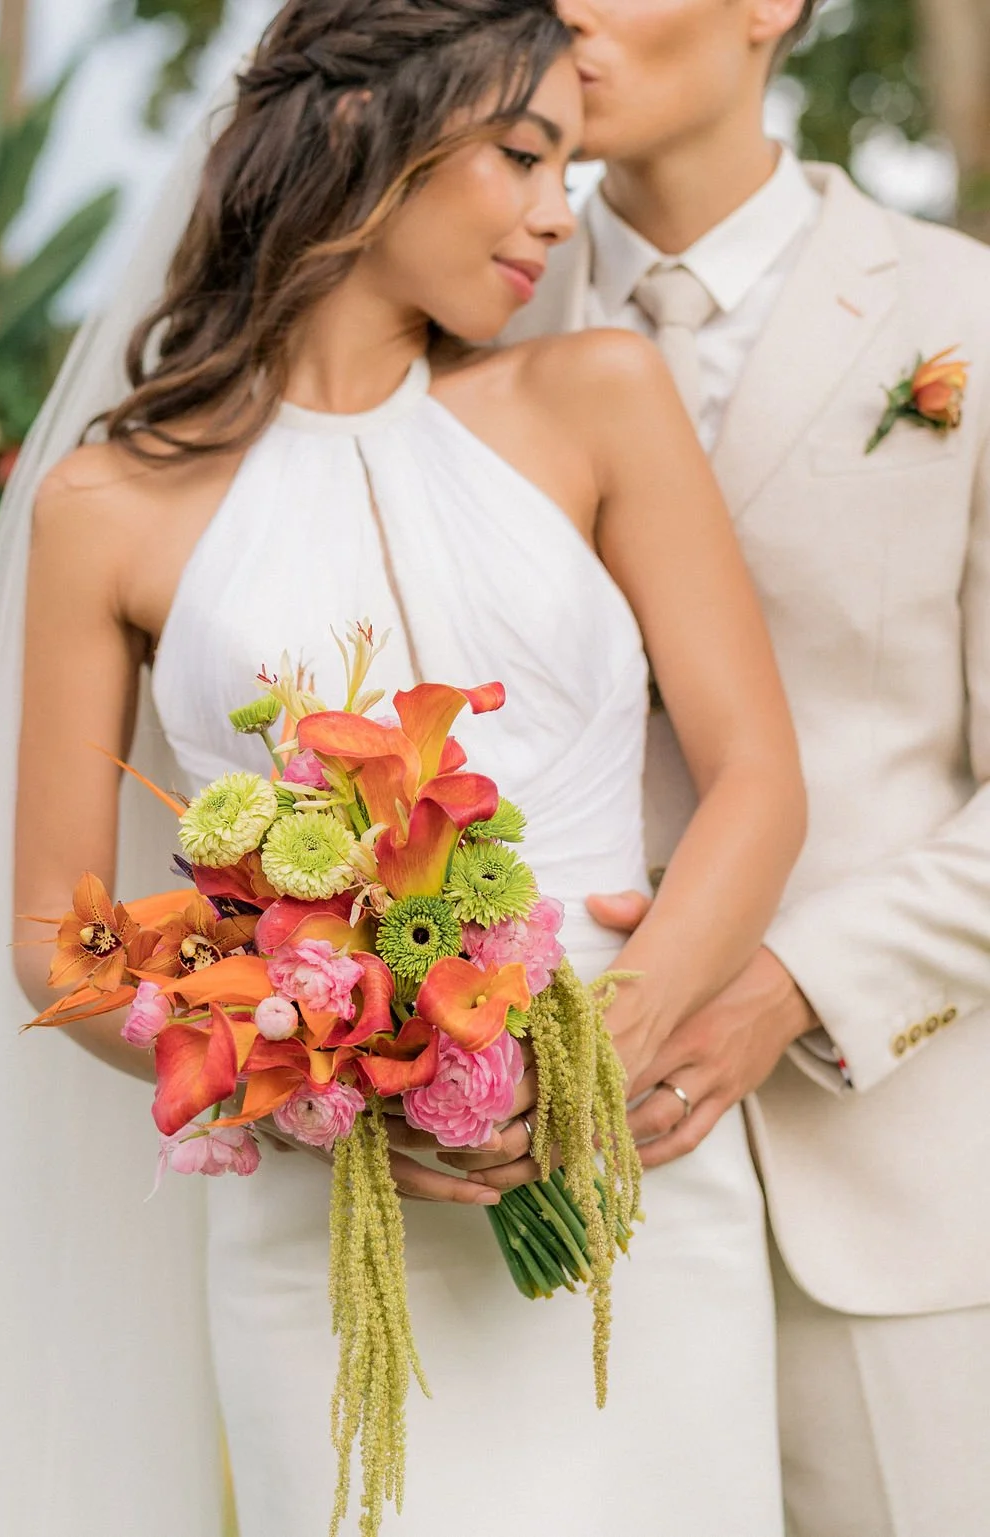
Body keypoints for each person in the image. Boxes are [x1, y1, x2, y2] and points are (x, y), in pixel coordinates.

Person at [0, 2, 808, 1533]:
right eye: (521, 154)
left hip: (637, 1187)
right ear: (366, 137)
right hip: (326, 1229)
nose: (562, 211)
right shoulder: (108, 505)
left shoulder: (599, 397)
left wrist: (589, 1063)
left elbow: (760, 774)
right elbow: (56, 934)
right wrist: (313, 1086)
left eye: (568, 164)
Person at [496, 3, 990, 1535]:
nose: (568, 12)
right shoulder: (464, 323)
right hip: (526, 1206)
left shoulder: (963, 312)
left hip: (890, 1195)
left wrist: (788, 981)